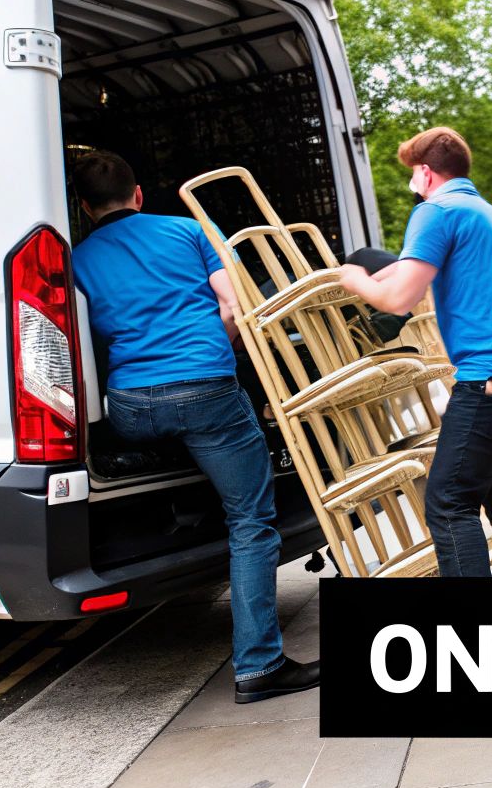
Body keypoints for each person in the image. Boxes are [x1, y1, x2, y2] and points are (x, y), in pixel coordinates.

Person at [69, 150, 318, 704]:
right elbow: (234, 308)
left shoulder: (76, 259)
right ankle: (259, 666)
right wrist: (214, 353)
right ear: (138, 194)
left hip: (130, 408)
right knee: (251, 521)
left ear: (85, 208)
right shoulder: (189, 230)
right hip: (206, 392)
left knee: (170, 437)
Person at [337, 127, 492, 578]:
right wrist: (381, 275)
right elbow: (412, 270)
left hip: (491, 376)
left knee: (449, 505)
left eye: (412, 175)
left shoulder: (434, 210)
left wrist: (353, 278)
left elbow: (399, 299)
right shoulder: (489, 214)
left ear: (424, 172)